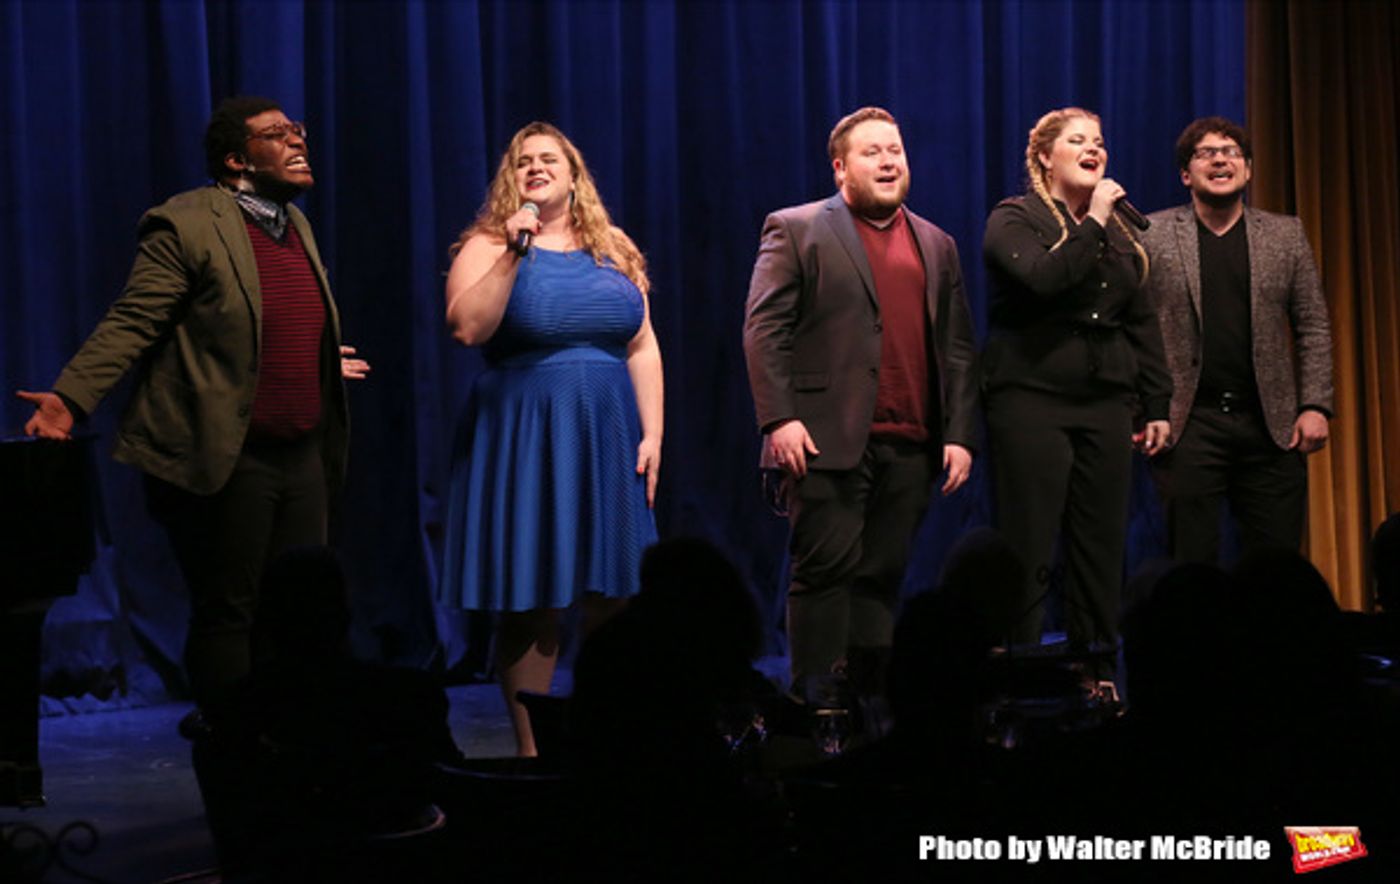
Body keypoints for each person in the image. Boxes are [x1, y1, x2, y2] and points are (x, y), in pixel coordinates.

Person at [16, 96, 364, 707]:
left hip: (302, 453)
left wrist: (312, 358)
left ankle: (297, 756)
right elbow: (134, 320)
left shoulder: (294, 224)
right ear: (236, 161)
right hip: (230, 454)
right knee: (232, 611)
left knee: (301, 611)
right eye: (278, 135)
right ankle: (233, 757)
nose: (297, 142)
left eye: (298, 131)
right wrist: (70, 400)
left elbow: (262, 317)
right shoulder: (187, 223)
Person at [440, 121, 662, 757]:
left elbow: (642, 344)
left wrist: (653, 435)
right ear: (511, 181)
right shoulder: (488, 244)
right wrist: (513, 252)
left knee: (615, 595)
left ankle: (607, 741)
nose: (535, 168)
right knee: (531, 596)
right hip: (527, 437)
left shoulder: (613, 247)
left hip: (608, 433)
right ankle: (533, 755)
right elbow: (466, 329)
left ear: (574, 175)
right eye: (522, 163)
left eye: (548, 160)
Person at [743, 106, 978, 699]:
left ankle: (870, 706)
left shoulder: (936, 243)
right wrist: (780, 417)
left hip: (911, 442)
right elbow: (765, 328)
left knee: (881, 578)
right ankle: (817, 711)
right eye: (872, 152)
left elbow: (955, 347)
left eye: (895, 150)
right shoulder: (796, 228)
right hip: (826, 437)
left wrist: (957, 433)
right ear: (841, 168)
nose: (888, 161)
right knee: (824, 575)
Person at [981, 107, 1171, 675]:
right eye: (1078, 141)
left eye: (1100, 142)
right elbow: (1043, 280)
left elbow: (1141, 321)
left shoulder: (1116, 236)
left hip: (1106, 399)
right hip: (1031, 396)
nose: (1094, 150)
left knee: (1101, 541)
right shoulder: (1013, 218)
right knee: (1032, 538)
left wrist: (1155, 403)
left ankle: (1097, 673)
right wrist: (1094, 222)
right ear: (1045, 155)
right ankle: (1021, 670)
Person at [1143, 116, 1333, 565]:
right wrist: (1145, 409)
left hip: (1271, 426)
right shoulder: (1150, 235)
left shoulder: (1286, 235)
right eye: (1206, 153)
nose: (1220, 160)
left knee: (1276, 566)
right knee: (1191, 567)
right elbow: (1133, 328)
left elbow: (1313, 323)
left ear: (1247, 170)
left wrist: (1315, 405)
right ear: (1186, 174)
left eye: (1231, 152)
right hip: (1188, 424)